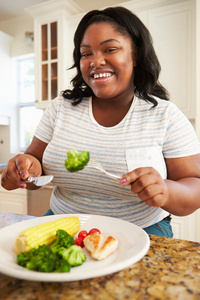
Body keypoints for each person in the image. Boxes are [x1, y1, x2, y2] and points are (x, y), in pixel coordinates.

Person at [1, 7, 200, 237]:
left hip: (141, 230)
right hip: (63, 223)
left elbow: (194, 186)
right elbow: (34, 167)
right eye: (86, 54)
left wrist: (166, 190)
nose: (95, 61)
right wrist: (23, 169)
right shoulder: (60, 108)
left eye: (110, 49)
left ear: (135, 54)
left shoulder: (165, 115)